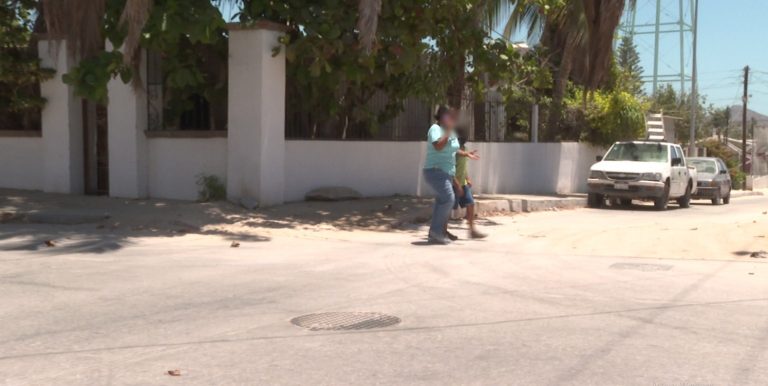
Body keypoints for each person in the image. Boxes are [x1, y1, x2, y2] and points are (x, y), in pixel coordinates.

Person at [422, 106, 478, 244]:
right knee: (448, 199)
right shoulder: (435, 129)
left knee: (443, 200)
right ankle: (436, 232)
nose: (452, 119)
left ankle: (436, 232)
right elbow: (438, 146)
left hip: (446, 173)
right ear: (441, 117)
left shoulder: (451, 131)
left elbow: (453, 150)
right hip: (435, 170)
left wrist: (466, 154)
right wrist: (447, 130)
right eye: (448, 116)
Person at [453, 132, 486, 239]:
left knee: (470, 204)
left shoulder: (465, 149)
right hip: (453, 183)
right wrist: (456, 184)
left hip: (463, 183)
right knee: (447, 207)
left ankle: (472, 230)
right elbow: (449, 168)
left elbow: (463, 166)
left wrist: (467, 178)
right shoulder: (452, 151)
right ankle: (441, 230)